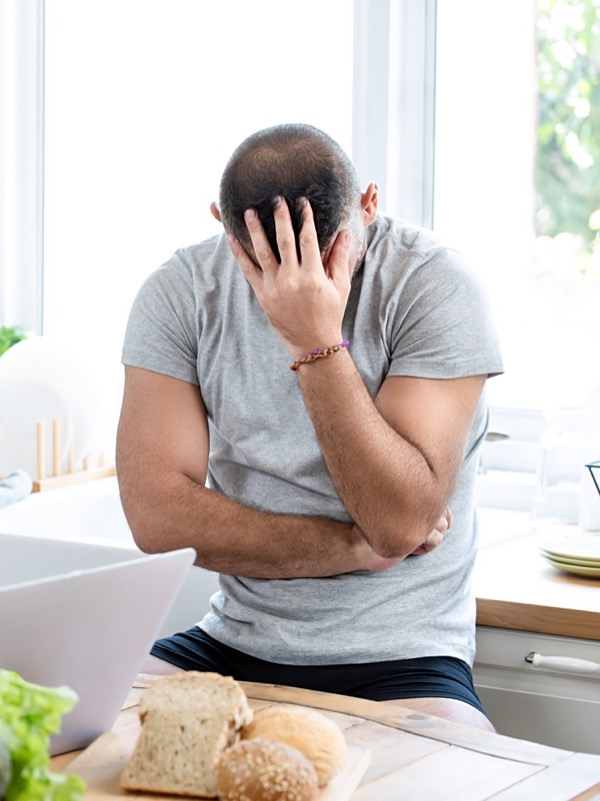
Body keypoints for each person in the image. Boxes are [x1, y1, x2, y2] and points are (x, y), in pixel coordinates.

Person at [117, 123, 503, 731]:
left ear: (369, 206)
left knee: (456, 765)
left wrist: (313, 340)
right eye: (267, 259)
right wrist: (351, 547)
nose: (301, 283)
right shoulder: (180, 291)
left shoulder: (434, 285)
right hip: (232, 643)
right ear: (225, 226)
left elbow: (398, 524)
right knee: (89, 729)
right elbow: (156, 520)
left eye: (325, 254)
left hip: (404, 658)